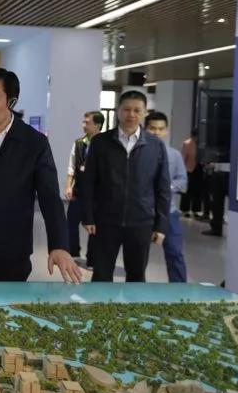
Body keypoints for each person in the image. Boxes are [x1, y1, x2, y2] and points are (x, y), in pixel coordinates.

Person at [0, 68, 81, 283]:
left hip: (12, 250)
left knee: (9, 302)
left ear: (11, 102)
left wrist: (59, 245)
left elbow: (50, 198)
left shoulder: (34, 143)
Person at [81, 91, 171, 283]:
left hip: (141, 222)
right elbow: (89, 182)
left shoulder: (155, 145)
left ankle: (134, 305)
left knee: (137, 276)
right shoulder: (100, 142)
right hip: (105, 221)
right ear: (118, 111)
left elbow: (162, 188)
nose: (131, 114)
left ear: (144, 113)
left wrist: (161, 225)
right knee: (101, 275)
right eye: (127, 109)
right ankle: (100, 304)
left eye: (137, 110)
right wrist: (88, 216)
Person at [145, 111, 188, 282]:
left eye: (160, 129)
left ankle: (179, 292)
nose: (156, 132)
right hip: (143, 211)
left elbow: (182, 180)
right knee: (138, 255)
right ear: (145, 129)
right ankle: (135, 289)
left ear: (166, 131)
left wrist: (167, 187)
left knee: (175, 253)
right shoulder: (137, 153)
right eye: (152, 128)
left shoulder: (174, 155)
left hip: (169, 212)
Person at [63, 111, 104, 266]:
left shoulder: (106, 144)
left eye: (87, 122)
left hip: (98, 194)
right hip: (79, 191)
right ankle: (73, 252)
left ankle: (92, 259)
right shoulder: (79, 143)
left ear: (98, 125)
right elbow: (71, 167)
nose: (84, 125)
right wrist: (68, 186)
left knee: (95, 227)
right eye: (83, 122)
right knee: (71, 222)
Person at [179, 129, 202, 218]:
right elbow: (183, 158)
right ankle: (185, 210)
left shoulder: (200, 144)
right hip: (188, 169)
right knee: (187, 191)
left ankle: (196, 210)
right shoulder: (187, 143)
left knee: (197, 190)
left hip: (198, 169)